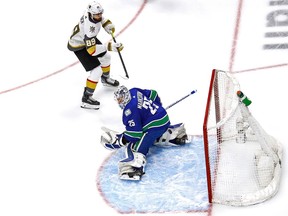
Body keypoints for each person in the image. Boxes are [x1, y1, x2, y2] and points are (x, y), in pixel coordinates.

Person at [100, 85, 188, 180]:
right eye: (118, 100)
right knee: (149, 132)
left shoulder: (129, 111)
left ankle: (134, 168)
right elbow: (153, 94)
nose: (120, 102)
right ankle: (174, 134)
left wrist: (121, 140)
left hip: (155, 127)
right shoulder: (134, 91)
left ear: (125, 97)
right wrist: (158, 108)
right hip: (164, 118)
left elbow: (135, 135)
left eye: (121, 99)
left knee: (134, 147)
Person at [67, 1, 124, 110]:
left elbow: (100, 18)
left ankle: (105, 79)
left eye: (100, 14)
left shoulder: (91, 13)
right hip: (79, 45)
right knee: (97, 70)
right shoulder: (90, 29)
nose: (99, 16)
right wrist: (110, 46)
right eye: (97, 15)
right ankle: (86, 98)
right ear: (91, 13)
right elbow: (92, 51)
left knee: (106, 57)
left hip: (87, 40)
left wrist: (106, 24)